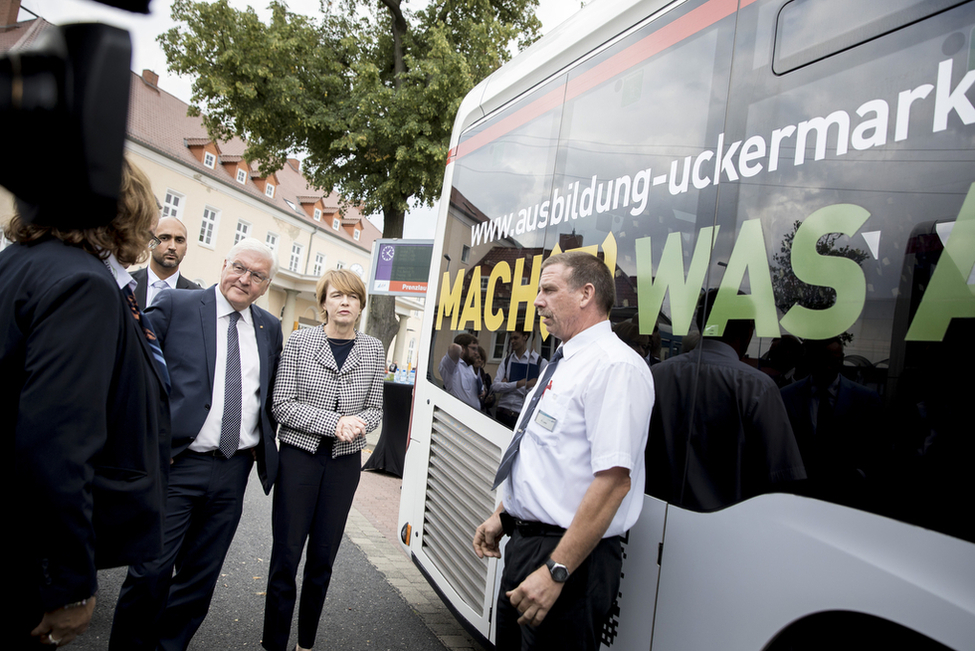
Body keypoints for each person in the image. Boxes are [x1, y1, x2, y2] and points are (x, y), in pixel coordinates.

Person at [1, 159, 170, 648]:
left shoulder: (19, 261)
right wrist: (69, 585)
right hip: (26, 556)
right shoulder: (84, 284)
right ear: (127, 213)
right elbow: (55, 445)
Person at [473, 251, 654, 651]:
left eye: (549, 289)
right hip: (527, 546)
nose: (538, 300)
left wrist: (556, 570)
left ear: (587, 293)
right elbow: (546, 456)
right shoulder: (565, 361)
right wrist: (504, 517)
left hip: (570, 560)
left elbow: (613, 483)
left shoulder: (614, 367)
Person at [110, 237, 283, 651]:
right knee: (149, 571)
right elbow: (137, 372)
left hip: (233, 469)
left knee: (199, 578)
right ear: (224, 264)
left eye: (257, 275)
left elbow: (269, 394)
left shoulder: (269, 328)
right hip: (176, 464)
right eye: (239, 267)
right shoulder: (178, 306)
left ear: (266, 286)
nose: (244, 279)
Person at [262, 269, 385, 651]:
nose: (345, 302)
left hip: (343, 465)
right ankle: (274, 643)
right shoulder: (299, 342)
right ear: (324, 304)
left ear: (361, 305)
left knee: (322, 560)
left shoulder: (373, 349)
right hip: (299, 460)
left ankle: (306, 644)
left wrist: (358, 423)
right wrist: (334, 422)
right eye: (337, 296)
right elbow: (281, 405)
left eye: (352, 297)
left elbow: (376, 408)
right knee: (286, 556)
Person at [646, 289, 806, 510]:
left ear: (701, 326)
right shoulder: (757, 387)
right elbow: (783, 477)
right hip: (729, 529)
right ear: (748, 330)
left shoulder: (657, 375)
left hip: (658, 519)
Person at [131, 215, 202, 308]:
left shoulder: (198, 297)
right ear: (150, 243)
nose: (172, 246)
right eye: (164, 238)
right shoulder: (125, 282)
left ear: (186, 249)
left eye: (179, 240)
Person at [491, 328, 547, 428]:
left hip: (522, 414)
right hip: (502, 411)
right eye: (511, 338)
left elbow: (542, 392)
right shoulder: (507, 361)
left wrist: (507, 385)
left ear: (525, 337)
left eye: (516, 338)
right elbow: (495, 386)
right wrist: (521, 384)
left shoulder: (540, 362)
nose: (512, 341)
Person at [438, 332, 481, 410]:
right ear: (463, 348)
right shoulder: (452, 365)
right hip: (458, 414)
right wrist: (460, 350)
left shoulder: (470, 367)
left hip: (473, 416)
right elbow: (454, 348)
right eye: (473, 348)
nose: (476, 353)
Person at [474, 345, 495, 414]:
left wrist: (490, 400)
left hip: (483, 414)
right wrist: (483, 402)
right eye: (477, 358)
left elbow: (492, 402)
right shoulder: (467, 375)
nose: (479, 360)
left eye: (482, 359)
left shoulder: (486, 378)